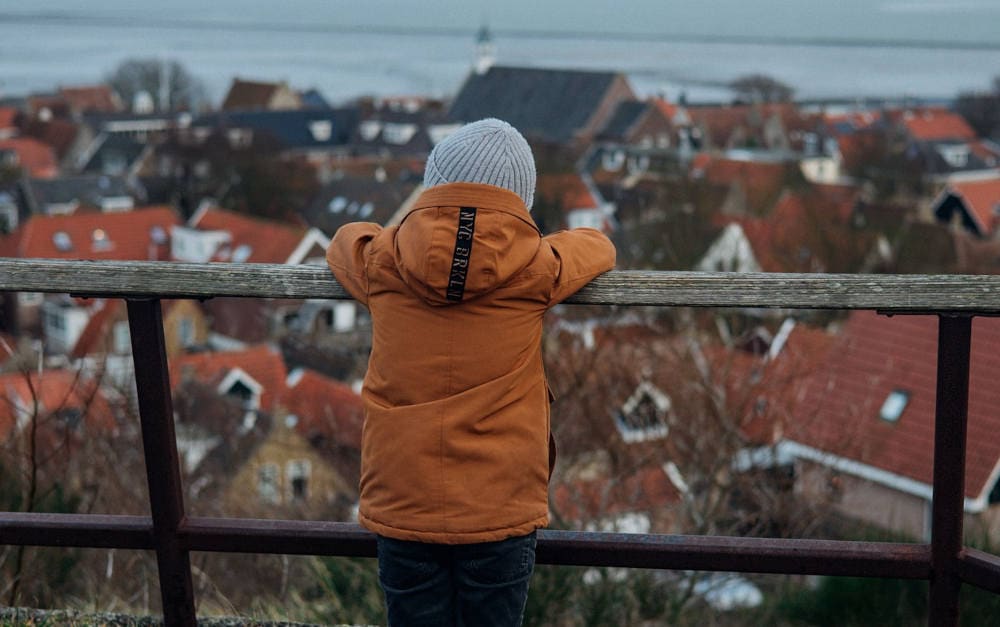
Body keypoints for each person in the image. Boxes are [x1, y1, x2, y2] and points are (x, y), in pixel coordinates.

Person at [326, 117, 615, 626]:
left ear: (431, 185)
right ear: (520, 200)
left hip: (403, 499)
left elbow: (344, 240)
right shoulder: (538, 266)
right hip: (498, 506)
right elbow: (598, 246)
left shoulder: (382, 260)